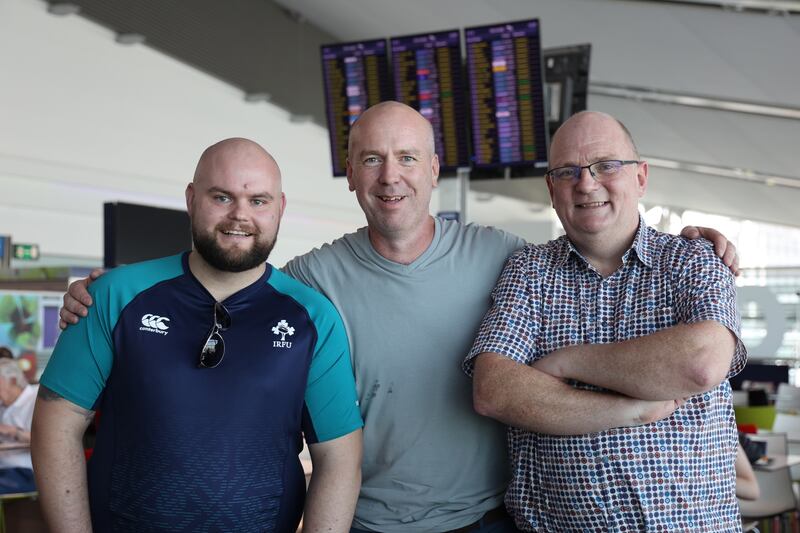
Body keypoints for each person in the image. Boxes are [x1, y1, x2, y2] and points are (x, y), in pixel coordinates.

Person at [59, 102, 739, 532]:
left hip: (487, 518)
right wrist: (106, 295)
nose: (391, 176)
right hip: (364, 520)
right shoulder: (311, 280)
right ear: (351, 174)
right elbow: (227, 280)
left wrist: (700, 244)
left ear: (434, 169)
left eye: (408, 157)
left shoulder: (505, 257)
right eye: (372, 159)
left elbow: (597, 244)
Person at [31, 138, 363, 533]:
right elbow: (56, 423)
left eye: (258, 201)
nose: (240, 215)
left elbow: (340, 459)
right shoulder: (113, 296)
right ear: (191, 199)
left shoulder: (313, 319)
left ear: (280, 208)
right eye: (222, 197)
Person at [466, 111, 746, 532]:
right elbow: (494, 390)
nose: (586, 183)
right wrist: (632, 410)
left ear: (641, 177)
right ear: (551, 189)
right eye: (567, 171)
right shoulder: (529, 271)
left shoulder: (694, 260)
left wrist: (568, 362)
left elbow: (701, 364)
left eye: (606, 165)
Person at [0, 359, 37, 494]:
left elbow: (48, 440)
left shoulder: (36, 398)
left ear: (13, 380)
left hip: (26, 471)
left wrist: (12, 431)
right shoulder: (3, 403)